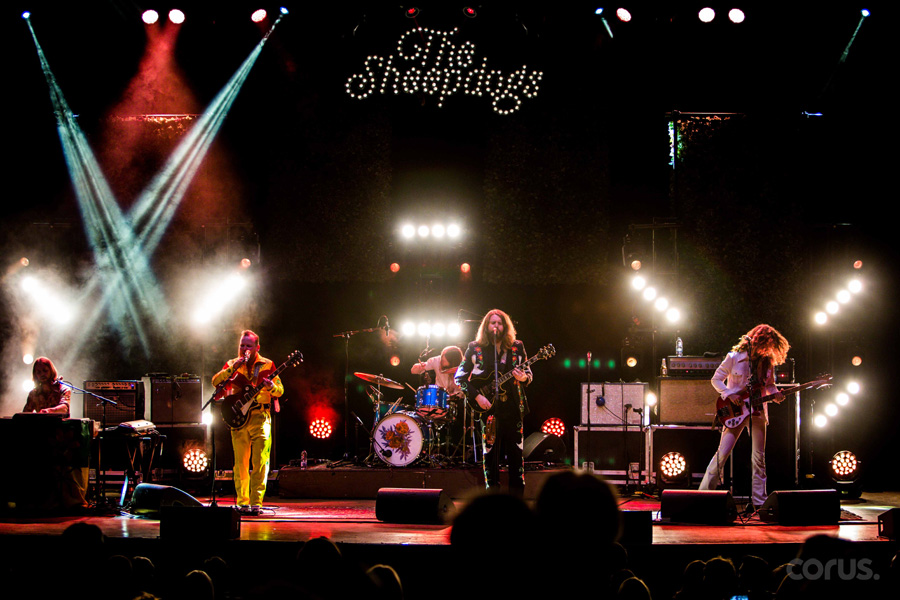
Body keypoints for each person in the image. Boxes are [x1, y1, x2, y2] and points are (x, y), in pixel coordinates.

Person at [699, 324, 790, 511]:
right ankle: (703, 495)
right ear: (756, 341)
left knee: (759, 457)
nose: (766, 350)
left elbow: (770, 386)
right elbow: (716, 379)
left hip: (758, 412)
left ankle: (759, 502)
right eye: (765, 344)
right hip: (735, 411)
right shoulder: (734, 357)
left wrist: (776, 394)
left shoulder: (767, 362)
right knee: (722, 454)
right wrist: (728, 394)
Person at [455, 309, 532, 497]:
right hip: (487, 408)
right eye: (492, 323)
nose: (496, 326)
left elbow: (529, 374)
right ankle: (492, 497)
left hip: (513, 407)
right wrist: (477, 397)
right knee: (490, 454)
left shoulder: (517, 347)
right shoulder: (475, 348)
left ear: (505, 326)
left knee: (516, 454)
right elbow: (460, 377)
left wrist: (523, 378)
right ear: (486, 326)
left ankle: (516, 498)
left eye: (499, 323)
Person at [212, 330, 284, 514]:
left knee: (260, 461)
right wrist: (232, 368)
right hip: (239, 419)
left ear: (257, 348)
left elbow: (280, 391)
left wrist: (271, 387)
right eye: (242, 345)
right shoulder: (231, 364)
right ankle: (243, 502)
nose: (244, 349)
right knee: (240, 463)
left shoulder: (268, 365)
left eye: (248, 346)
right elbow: (215, 381)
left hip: (260, 417)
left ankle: (256, 503)